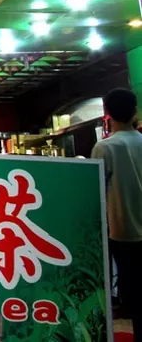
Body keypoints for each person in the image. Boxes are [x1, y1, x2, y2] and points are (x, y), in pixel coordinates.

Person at [91, 88, 142, 336]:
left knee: (132, 297)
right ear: (135, 112)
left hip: (123, 233)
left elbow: (95, 192)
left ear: (107, 114)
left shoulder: (104, 148)